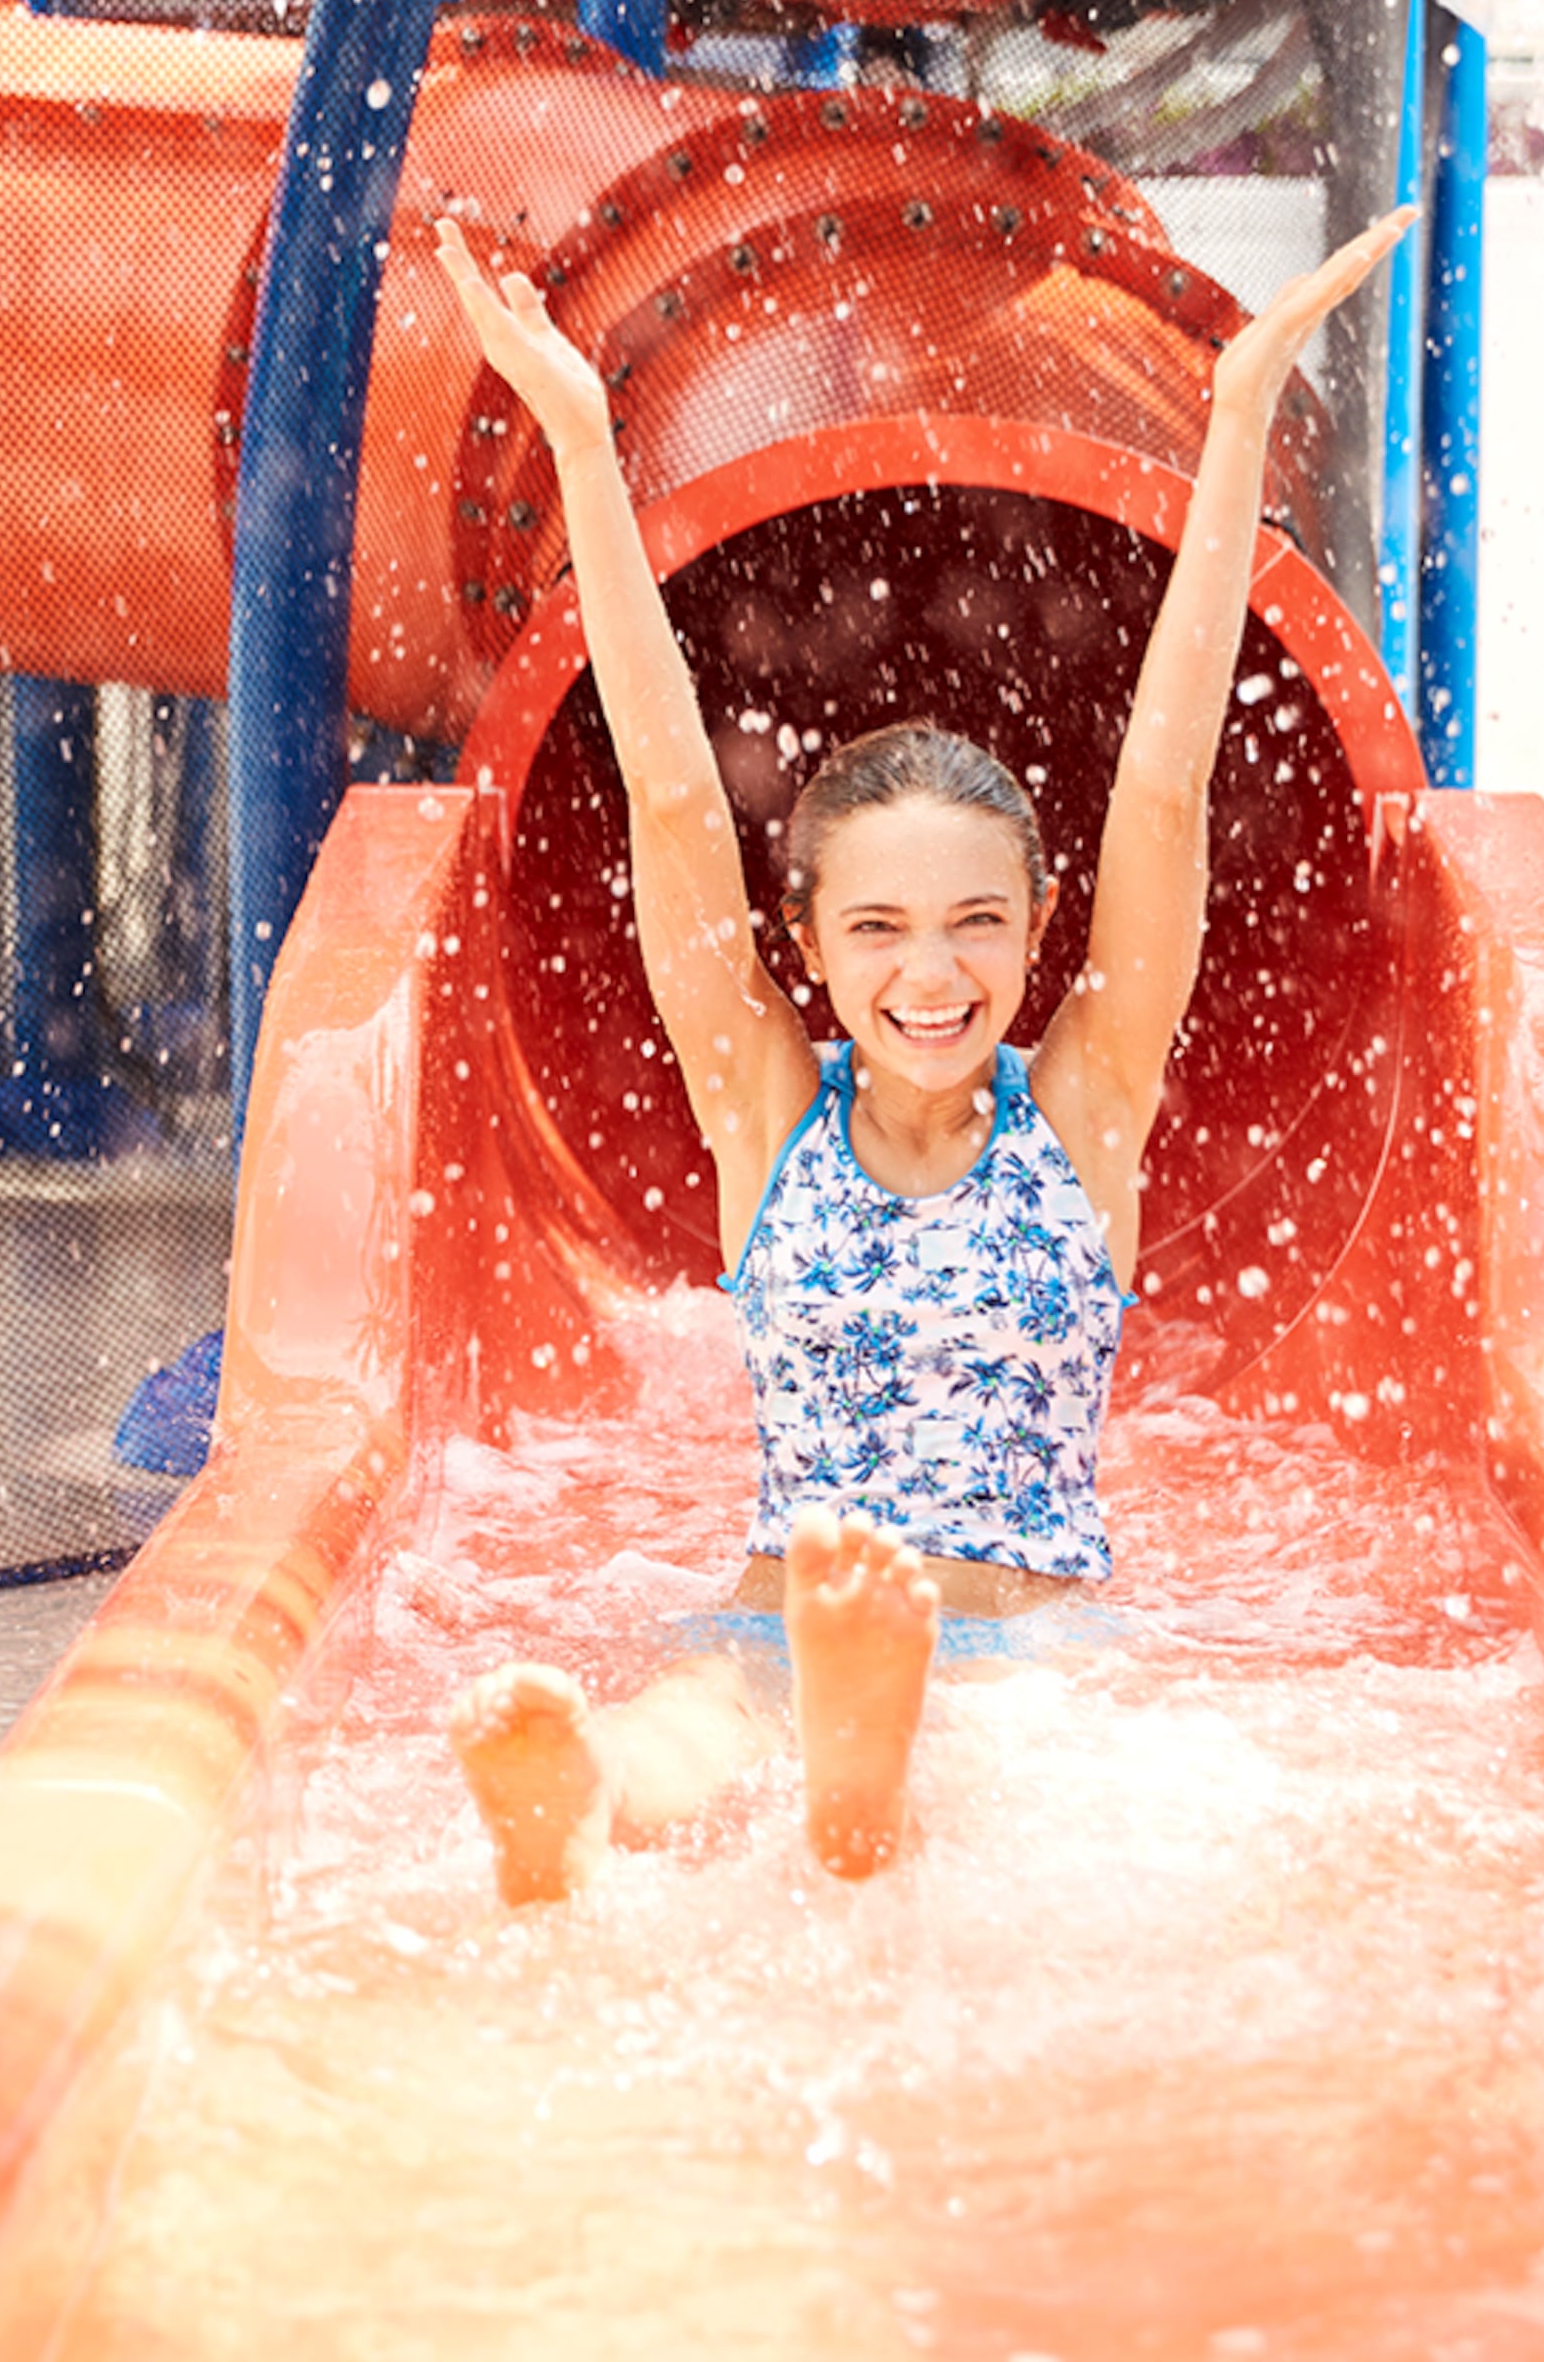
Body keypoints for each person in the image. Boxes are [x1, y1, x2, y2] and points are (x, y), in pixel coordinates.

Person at [429, 202, 1415, 1905]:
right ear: (806, 953)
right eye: (877, 933)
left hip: (1018, 1649)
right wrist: (585, 439)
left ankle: (854, 1770)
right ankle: (586, 1805)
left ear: (1041, 934)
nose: (933, 973)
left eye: (975, 924)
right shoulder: (766, 1114)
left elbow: (1166, 791)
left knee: (970, 1772)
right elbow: (673, 795)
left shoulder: (1085, 1113)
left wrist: (1237, 422)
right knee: (688, 1724)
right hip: (765, 1617)